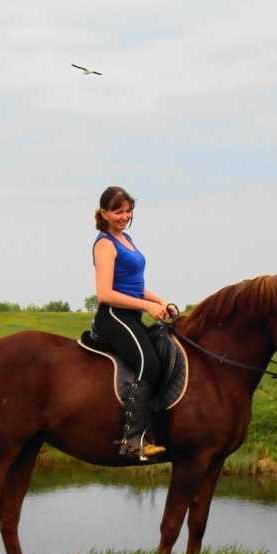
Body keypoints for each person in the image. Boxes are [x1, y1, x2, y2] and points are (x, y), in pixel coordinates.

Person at [90, 185, 178, 460]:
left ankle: (159, 430)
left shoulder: (126, 238)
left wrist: (160, 302)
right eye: (118, 211)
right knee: (148, 363)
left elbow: (133, 286)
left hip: (131, 314)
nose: (124, 216)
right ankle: (131, 441)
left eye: (128, 211)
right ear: (104, 213)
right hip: (113, 316)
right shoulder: (105, 243)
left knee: (163, 354)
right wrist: (147, 306)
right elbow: (105, 294)